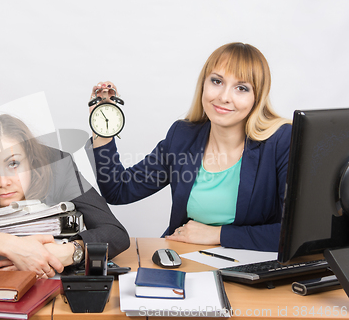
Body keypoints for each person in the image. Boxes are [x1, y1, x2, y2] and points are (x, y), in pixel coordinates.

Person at [90, 42, 291, 252]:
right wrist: (103, 126)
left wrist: (218, 235)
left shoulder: (281, 141)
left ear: (256, 97)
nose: (224, 97)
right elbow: (119, 190)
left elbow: (295, 234)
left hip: (252, 268)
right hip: (185, 259)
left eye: (241, 88)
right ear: (203, 84)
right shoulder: (183, 137)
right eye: (217, 81)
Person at [0, 114, 129, 278]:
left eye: (13, 164)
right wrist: (14, 247)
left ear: (31, 159)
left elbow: (114, 232)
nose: (3, 182)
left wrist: (64, 253)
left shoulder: (57, 165)